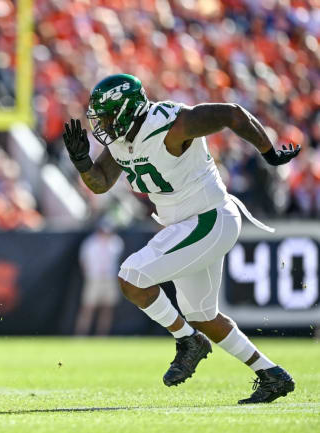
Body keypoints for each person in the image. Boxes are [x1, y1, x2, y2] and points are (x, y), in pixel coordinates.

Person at [63, 73, 300, 404]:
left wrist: (269, 152)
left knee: (132, 276)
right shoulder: (121, 139)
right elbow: (100, 183)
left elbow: (232, 113)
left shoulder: (172, 124)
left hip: (209, 216)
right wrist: (82, 161)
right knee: (203, 315)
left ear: (126, 111)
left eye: (105, 116)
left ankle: (189, 341)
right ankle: (272, 375)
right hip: (187, 224)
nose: (101, 124)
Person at [75, 220, 124, 336]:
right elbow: (83, 261)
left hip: (109, 278)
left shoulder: (116, 242)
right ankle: (81, 334)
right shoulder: (90, 243)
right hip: (94, 278)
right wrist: (89, 274)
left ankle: (102, 335)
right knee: (88, 307)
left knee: (107, 308)